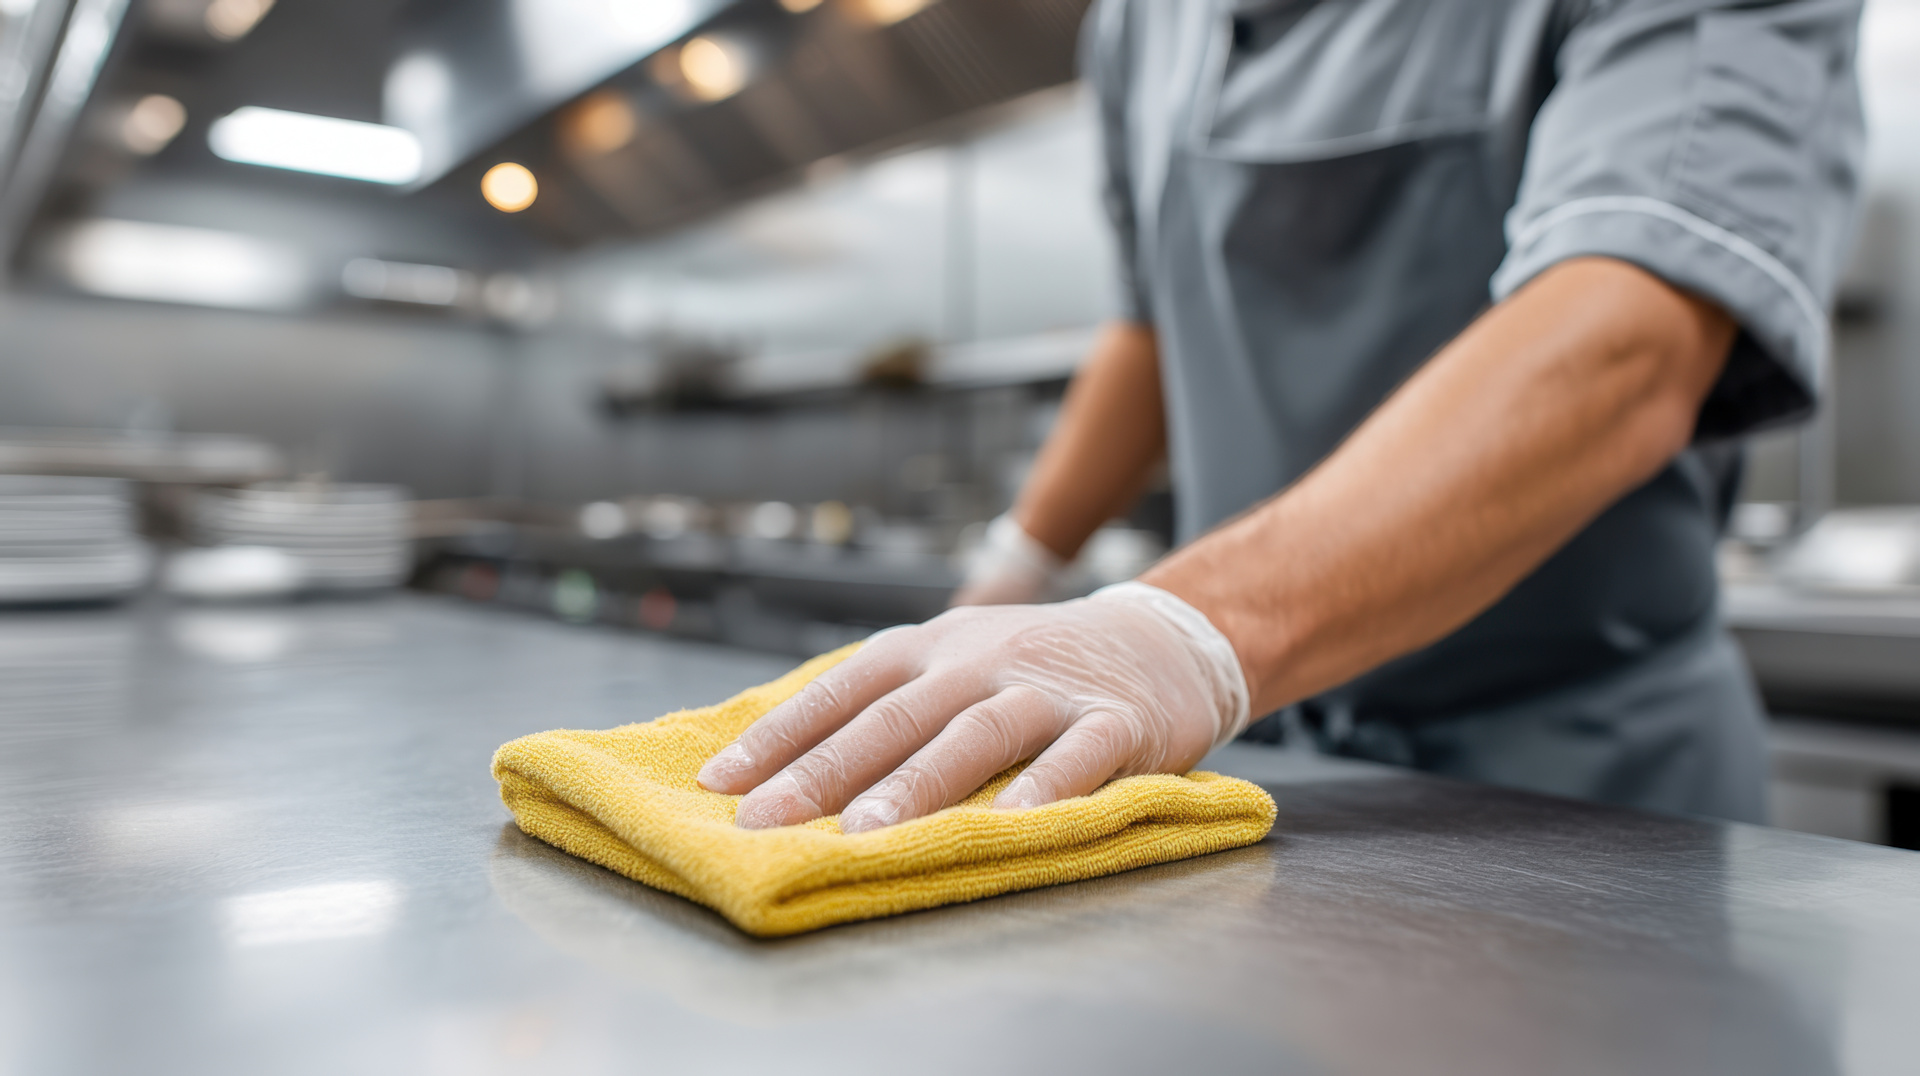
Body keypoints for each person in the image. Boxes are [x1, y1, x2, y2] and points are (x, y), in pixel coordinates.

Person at [699, 0, 1864, 831]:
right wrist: (1011, 574)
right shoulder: (1143, 26)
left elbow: (1629, 333)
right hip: (1260, 772)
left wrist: (1185, 631)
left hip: (1577, 787)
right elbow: (1156, 322)